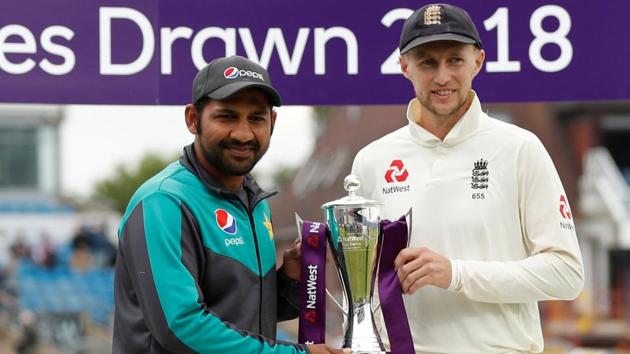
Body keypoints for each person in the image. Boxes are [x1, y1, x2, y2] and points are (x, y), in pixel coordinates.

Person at [351, 4, 584, 353]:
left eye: (455, 60)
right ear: (404, 66)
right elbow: (361, 284)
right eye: (427, 62)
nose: (442, 76)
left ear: (478, 61)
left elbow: (566, 275)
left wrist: (456, 274)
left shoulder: (520, 148)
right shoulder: (371, 160)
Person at [114, 55, 346, 354]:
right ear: (192, 119)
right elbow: (180, 327)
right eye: (227, 116)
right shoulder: (164, 201)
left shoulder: (254, 202)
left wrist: (287, 281)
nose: (243, 133)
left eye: (256, 118)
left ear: (272, 123)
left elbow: (242, 314)